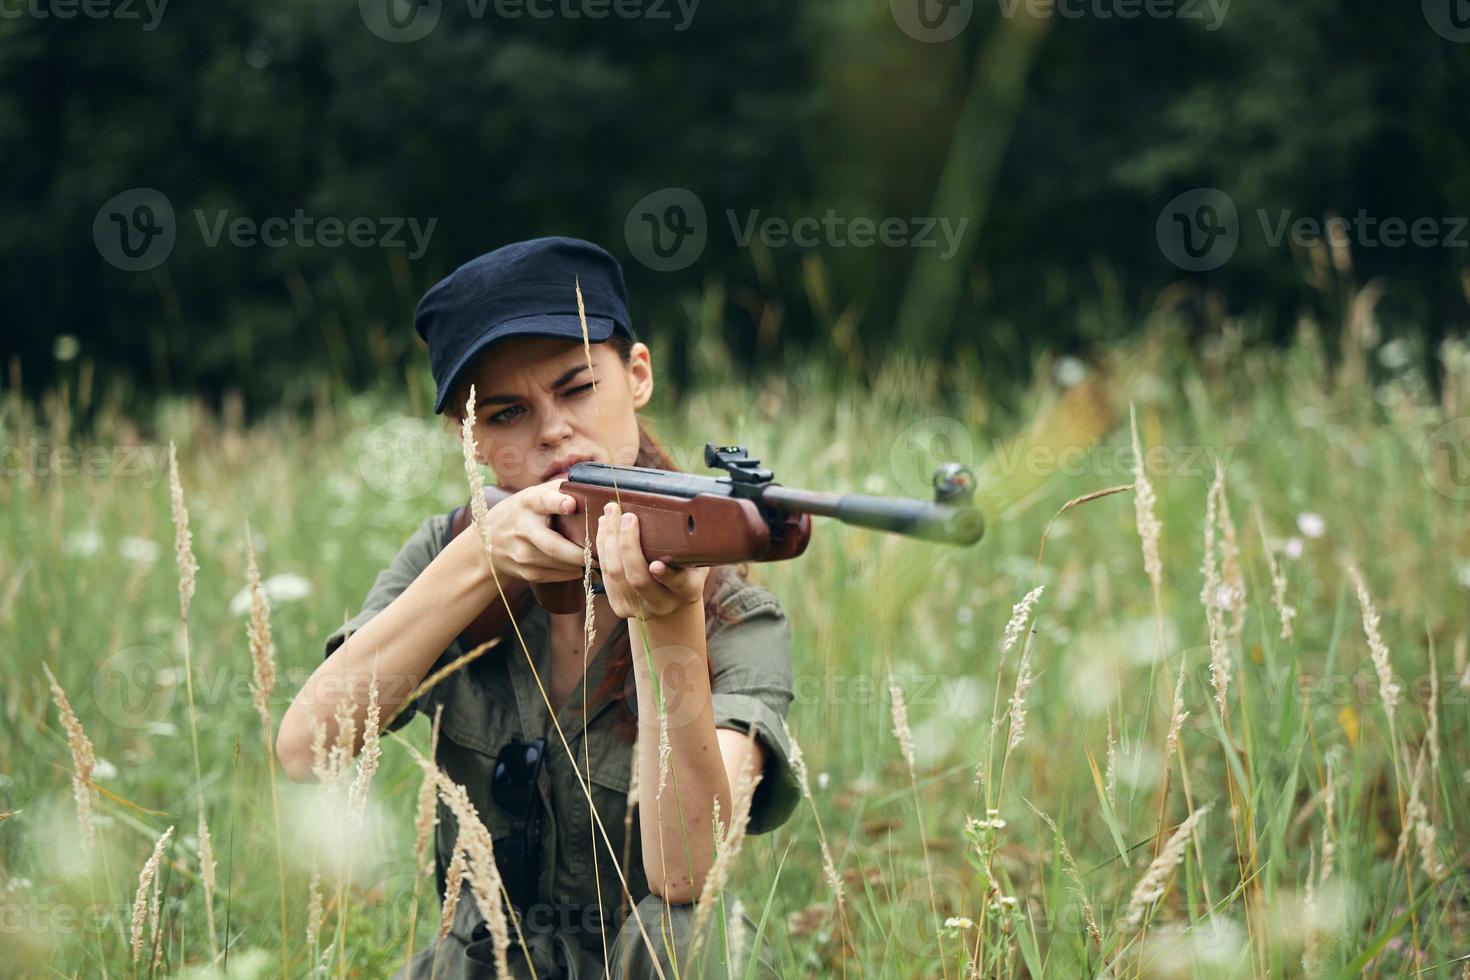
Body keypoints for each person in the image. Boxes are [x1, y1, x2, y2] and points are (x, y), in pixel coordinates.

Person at [276, 237, 799, 979]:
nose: (552, 429)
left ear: (637, 374)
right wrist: (477, 560)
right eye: (506, 412)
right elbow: (307, 750)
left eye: (577, 387)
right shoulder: (449, 553)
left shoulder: (734, 612)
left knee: (688, 936)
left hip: (639, 966)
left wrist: (667, 626)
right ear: (470, 439)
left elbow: (687, 879)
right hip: (481, 962)